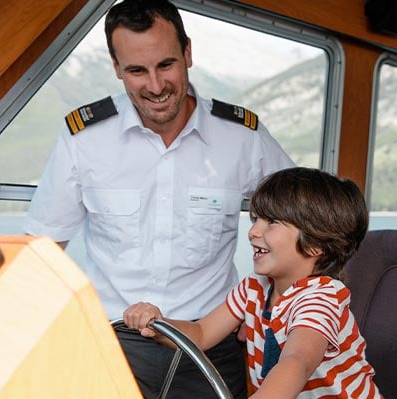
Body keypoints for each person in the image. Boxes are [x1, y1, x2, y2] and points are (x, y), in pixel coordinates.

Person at [23, 0, 294, 397]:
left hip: (210, 342)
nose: (154, 85)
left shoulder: (242, 137)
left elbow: (306, 220)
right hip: (110, 342)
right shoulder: (84, 138)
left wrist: (275, 308)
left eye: (166, 65)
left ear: (187, 53)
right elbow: (42, 251)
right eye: (136, 70)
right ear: (117, 69)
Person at [123, 167, 382, 398]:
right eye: (256, 219)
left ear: (315, 244)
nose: (253, 231)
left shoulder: (320, 298)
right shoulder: (253, 290)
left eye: (272, 223)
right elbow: (201, 333)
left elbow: (297, 361)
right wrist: (158, 324)